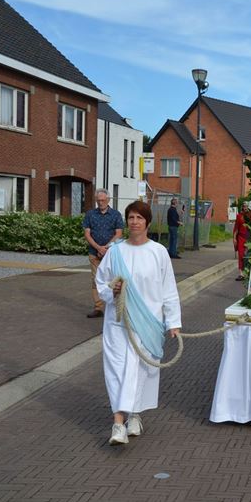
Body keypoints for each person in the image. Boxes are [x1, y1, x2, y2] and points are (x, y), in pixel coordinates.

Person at [95, 201, 181, 445]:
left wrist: (173, 322)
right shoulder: (115, 252)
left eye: (139, 218)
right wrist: (112, 291)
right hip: (117, 322)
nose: (134, 222)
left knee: (137, 370)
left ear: (148, 222)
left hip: (147, 322)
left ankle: (134, 415)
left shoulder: (158, 252)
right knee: (117, 371)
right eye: (131, 217)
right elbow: (100, 282)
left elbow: (169, 290)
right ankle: (118, 424)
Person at [83, 188, 124, 318]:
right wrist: (98, 248)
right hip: (94, 252)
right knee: (95, 280)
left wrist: (106, 248)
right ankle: (98, 307)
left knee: (113, 279)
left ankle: (116, 305)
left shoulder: (116, 215)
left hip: (111, 253)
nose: (100, 203)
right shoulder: (90, 214)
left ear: (108, 200)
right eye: (98, 200)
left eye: (103, 200)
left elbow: (119, 233)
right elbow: (87, 234)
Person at [233, 203, 251, 281]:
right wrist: (234, 238)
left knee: (248, 255)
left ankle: (247, 272)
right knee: (241, 255)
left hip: (249, 237)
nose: (245, 207)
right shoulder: (239, 216)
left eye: (247, 206)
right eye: (244, 206)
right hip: (241, 237)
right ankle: (241, 273)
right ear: (242, 207)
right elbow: (236, 228)